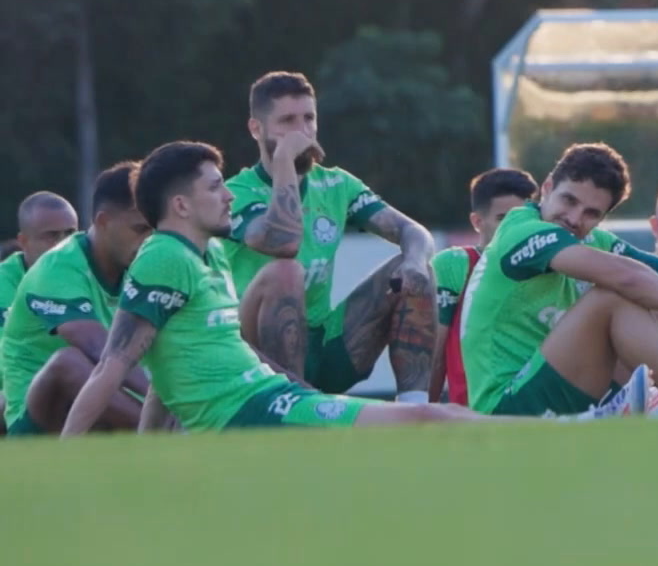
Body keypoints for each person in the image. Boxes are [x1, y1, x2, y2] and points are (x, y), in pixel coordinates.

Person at [61, 142, 573, 435]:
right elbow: (114, 364)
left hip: (271, 396)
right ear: (180, 206)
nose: (227, 196)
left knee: (429, 416)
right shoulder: (164, 258)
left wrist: (152, 456)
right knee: (423, 417)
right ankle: (570, 432)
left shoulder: (206, 253)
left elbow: (165, 375)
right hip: (254, 410)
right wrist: (67, 455)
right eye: (214, 187)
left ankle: (568, 431)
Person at [459, 142, 658, 416]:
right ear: (547, 188)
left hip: (558, 382)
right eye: (569, 200)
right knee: (613, 296)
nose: (574, 218)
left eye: (591, 213)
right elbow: (627, 278)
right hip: (508, 405)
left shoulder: (593, 239)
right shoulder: (522, 229)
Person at [219, 71, 438, 401]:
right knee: (286, 271)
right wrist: (284, 161)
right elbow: (284, 242)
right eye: (287, 121)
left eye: (309, 118)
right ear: (256, 129)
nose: (302, 131)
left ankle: (414, 407)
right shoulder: (235, 193)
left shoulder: (336, 183)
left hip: (324, 343)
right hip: (256, 359)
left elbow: (412, 230)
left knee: (416, 270)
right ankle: (291, 406)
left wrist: (415, 262)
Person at [2, 165, 152, 435]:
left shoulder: (141, 264)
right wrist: (158, 401)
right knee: (68, 362)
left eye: (154, 230)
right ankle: (162, 430)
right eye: (140, 229)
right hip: (39, 420)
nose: (148, 240)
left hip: (100, 412)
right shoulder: (55, 268)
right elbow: (97, 346)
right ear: (103, 221)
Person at [431, 168, 539, 404]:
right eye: (503, 218)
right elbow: (434, 356)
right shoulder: (456, 264)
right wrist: (420, 415)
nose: (516, 227)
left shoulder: (549, 267)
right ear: (477, 222)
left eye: (525, 218)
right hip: (475, 411)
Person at [0, 192, 78, 435]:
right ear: (23, 242)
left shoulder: (87, 276)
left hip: (72, 387)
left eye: (70, 233)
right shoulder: (4, 283)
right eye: (51, 236)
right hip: (15, 391)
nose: (64, 244)